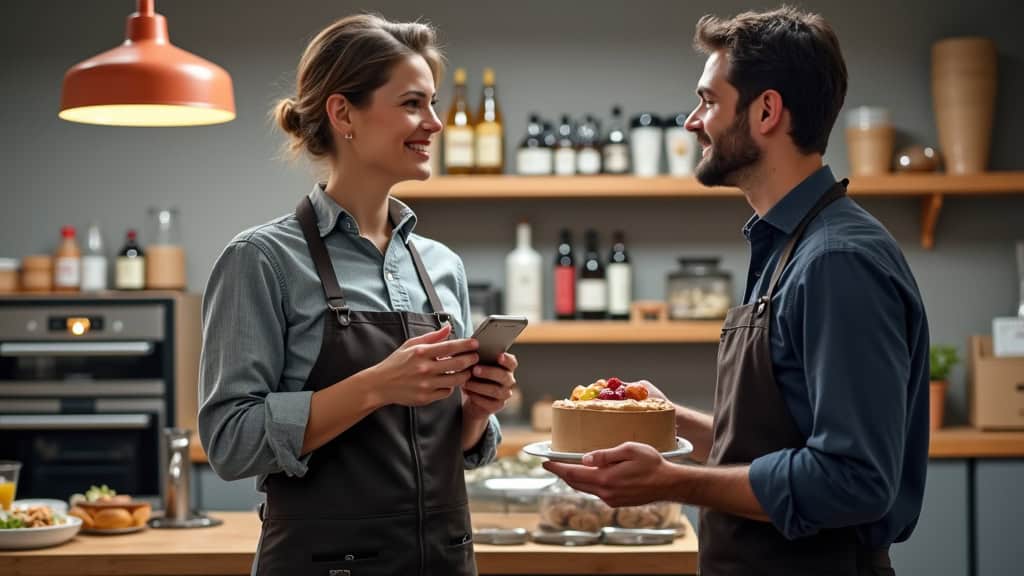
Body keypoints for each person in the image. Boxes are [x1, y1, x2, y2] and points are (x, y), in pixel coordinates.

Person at [544, 7, 929, 575]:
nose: (692, 122)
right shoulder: (786, 244)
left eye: (709, 101)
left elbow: (854, 480)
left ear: (767, 111)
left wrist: (675, 481)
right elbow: (782, 440)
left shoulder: (837, 261)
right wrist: (667, 421)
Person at [197, 14, 516, 576]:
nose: (435, 123)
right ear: (344, 113)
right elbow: (230, 442)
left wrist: (472, 414)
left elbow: (453, 448)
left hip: (443, 559)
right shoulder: (262, 259)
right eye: (413, 104)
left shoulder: (443, 267)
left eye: (433, 103)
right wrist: (375, 386)